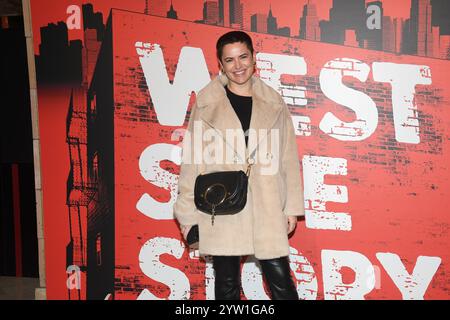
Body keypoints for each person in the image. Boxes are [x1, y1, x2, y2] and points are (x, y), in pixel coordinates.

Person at [173, 31, 304, 300]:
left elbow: (288, 157)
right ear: (220, 64)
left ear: (254, 58)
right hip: (222, 207)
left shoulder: (274, 102)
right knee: (227, 287)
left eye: (243, 57)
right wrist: (186, 216)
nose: (238, 66)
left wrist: (291, 207)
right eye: (229, 60)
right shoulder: (207, 103)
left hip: (267, 203)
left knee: (282, 286)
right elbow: (192, 161)